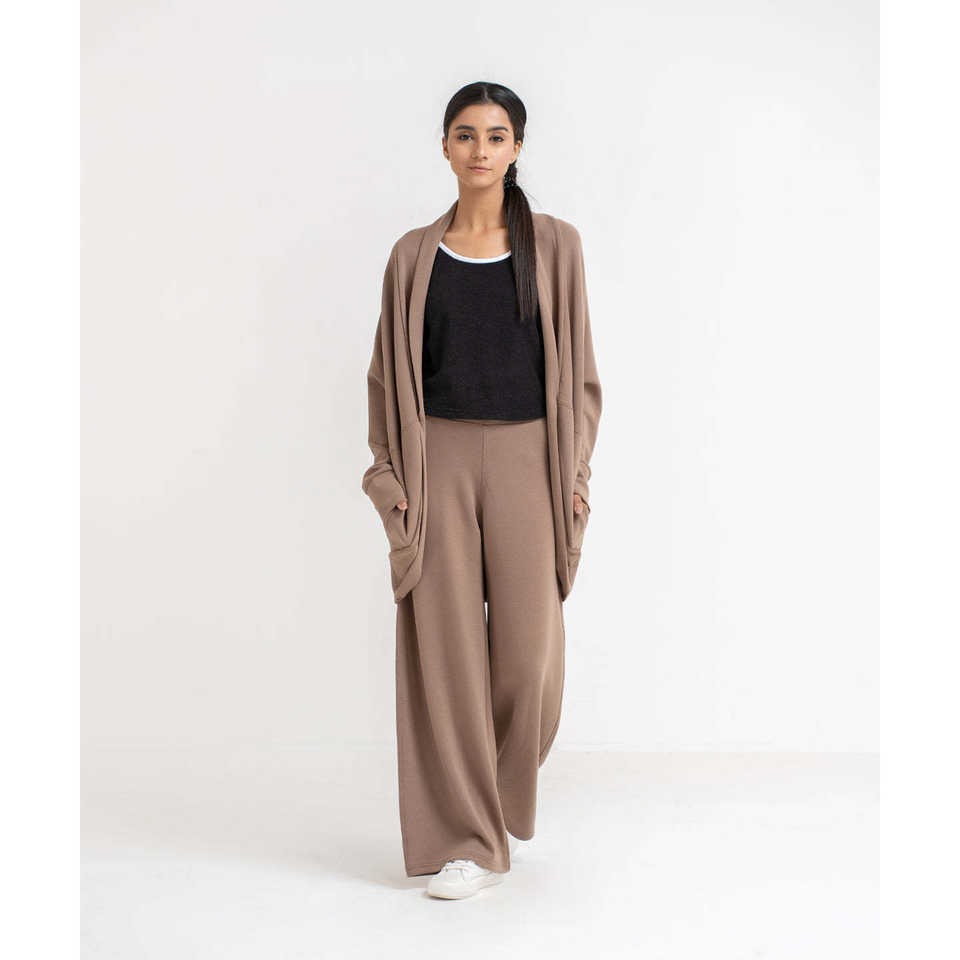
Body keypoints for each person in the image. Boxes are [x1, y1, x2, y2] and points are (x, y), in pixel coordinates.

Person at [361, 80, 602, 899]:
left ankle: (493, 808)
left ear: (517, 148)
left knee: (528, 659)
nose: (480, 149)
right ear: (444, 146)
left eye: (496, 136)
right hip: (439, 460)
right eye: (465, 134)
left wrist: (575, 477)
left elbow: (582, 376)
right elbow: (385, 380)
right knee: (449, 659)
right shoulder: (413, 255)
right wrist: (389, 479)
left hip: (531, 459)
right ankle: (469, 840)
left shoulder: (556, 246)